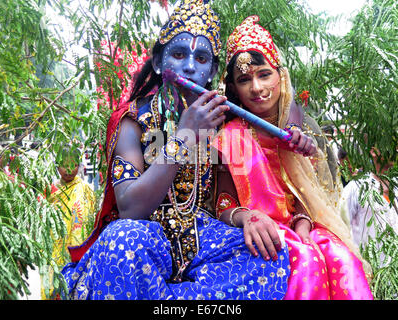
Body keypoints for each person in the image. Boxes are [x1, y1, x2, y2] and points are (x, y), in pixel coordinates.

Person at [60, 0, 295, 300]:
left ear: (211, 70)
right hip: (145, 238)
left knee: (270, 258)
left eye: (201, 59)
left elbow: (223, 201)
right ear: (159, 62)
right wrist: (184, 137)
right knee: (122, 241)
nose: (189, 67)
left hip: (202, 238)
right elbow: (131, 208)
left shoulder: (223, 121)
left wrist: (244, 218)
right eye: (179, 54)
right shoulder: (133, 120)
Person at [212, 15, 373, 300]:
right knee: (305, 261)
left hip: (300, 228)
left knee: (343, 259)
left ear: (280, 76)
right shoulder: (230, 135)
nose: (257, 88)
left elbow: (308, 200)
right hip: (256, 232)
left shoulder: (300, 129)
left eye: (264, 74)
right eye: (244, 80)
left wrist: (303, 223)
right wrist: (247, 217)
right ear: (233, 88)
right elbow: (222, 204)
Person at [41, 145, 96, 299]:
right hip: (53, 248)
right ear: (57, 166)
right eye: (64, 165)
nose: (69, 169)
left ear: (79, 166)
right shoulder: (50, 191)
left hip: (76, 249)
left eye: (73, 165)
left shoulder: (84, 189)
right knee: (51, 288)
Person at [340, 147, 398, 265]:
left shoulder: (395, 182)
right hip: (372, 272)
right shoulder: (355, 188)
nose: (396, 149)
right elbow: (341, 228)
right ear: (374, 150)